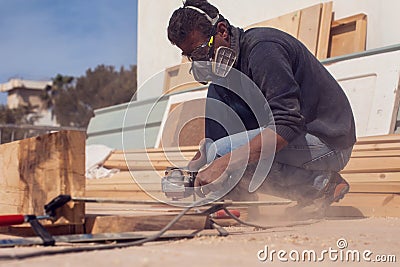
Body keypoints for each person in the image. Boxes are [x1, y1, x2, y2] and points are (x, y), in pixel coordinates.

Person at [167, 0, 356, 214]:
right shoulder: (223, 80)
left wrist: (223, 163)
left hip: (328, 141)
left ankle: (321, 184)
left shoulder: (263, 49)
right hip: (298, 141)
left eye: (202, 52)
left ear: (222, 31)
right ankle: (242, 201)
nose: (201, 62)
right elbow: (217, 145)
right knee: (218, 152)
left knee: (226, 156)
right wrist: (193, 171)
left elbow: (286, 125)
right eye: (193, 57)